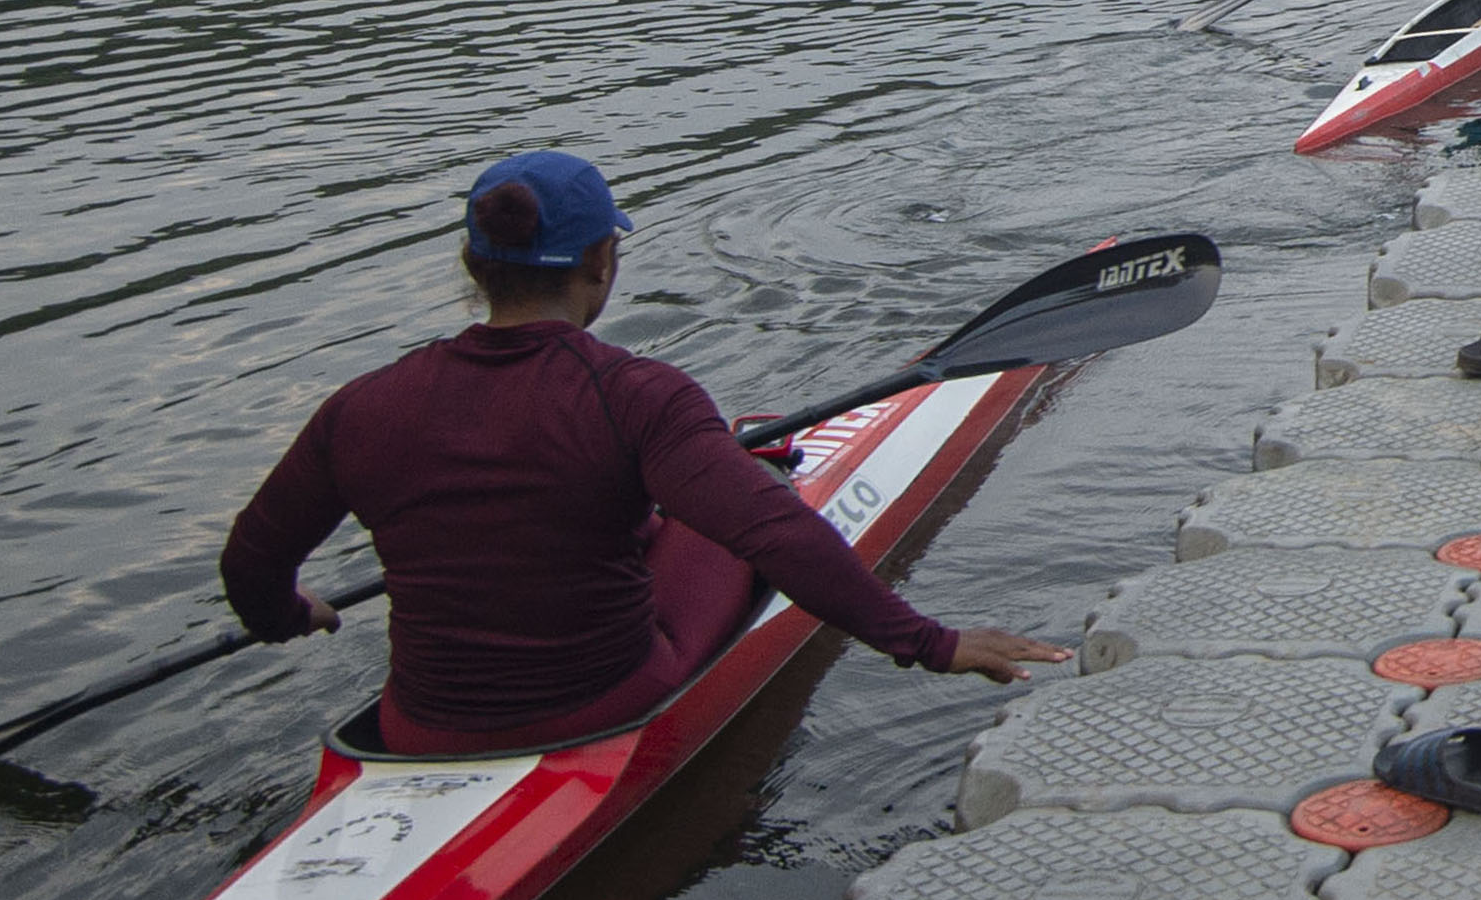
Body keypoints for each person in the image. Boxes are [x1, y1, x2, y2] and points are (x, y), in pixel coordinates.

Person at [219, 152, 1066, 752]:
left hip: (419, 725)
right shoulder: (634, 395)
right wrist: (928, 640)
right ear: (601, 261)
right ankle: (740, 470)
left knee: (687, 495)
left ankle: (708, 482)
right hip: (602, 707)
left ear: (475, 265)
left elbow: (251, 565)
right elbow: (777, 538)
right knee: (743, 499)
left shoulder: (361, 407)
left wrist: (289, 616)